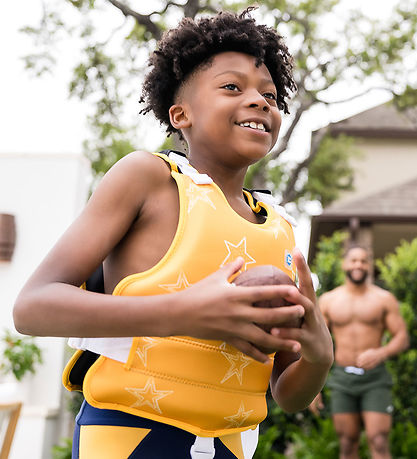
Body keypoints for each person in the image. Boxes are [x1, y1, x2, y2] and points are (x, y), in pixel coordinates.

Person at [14, 9, 333, 459]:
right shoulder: (149, 179)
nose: (261, 101)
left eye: (271, 95)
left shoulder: (280, 228)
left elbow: (286, 392)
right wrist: (185, 313)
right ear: (180, 113)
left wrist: (318, 359)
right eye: (231, 87)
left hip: (231, 447)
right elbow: (33, 307)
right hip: (130, 437)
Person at [310, 244, 409, 459]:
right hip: (342, 378)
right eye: (354, 260)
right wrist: (312, 386)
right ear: (345, 264)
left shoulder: (383, 299)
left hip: (375, 379)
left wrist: (380, 353)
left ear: (369, 266)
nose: (358, 265)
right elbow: (316, 344)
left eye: (363, 261)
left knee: (379, 440)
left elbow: (402, 337)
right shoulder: (328, 300)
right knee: (347, 443)